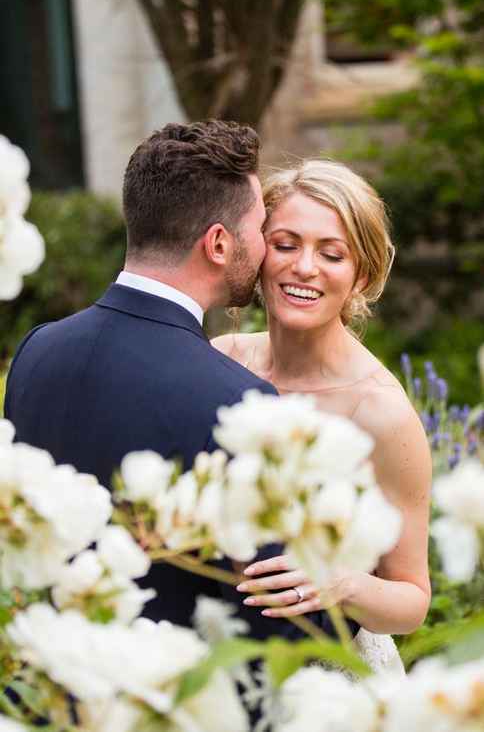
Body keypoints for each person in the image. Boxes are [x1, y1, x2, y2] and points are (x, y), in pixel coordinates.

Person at [4, 120, 286, 636]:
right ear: (219, 243)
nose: (266, 247)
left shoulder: (36, 350)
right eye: (260, 228)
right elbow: (271, 624)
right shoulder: (238, 402)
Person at [212, 159, 432, 647]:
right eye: (286, 245)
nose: (304, 267)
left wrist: (342, 583)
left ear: (361, 275)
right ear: (257, 252)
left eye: (332, 254)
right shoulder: (221, 361)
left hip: (335, 678)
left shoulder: (380, 411)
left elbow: (412, 601)